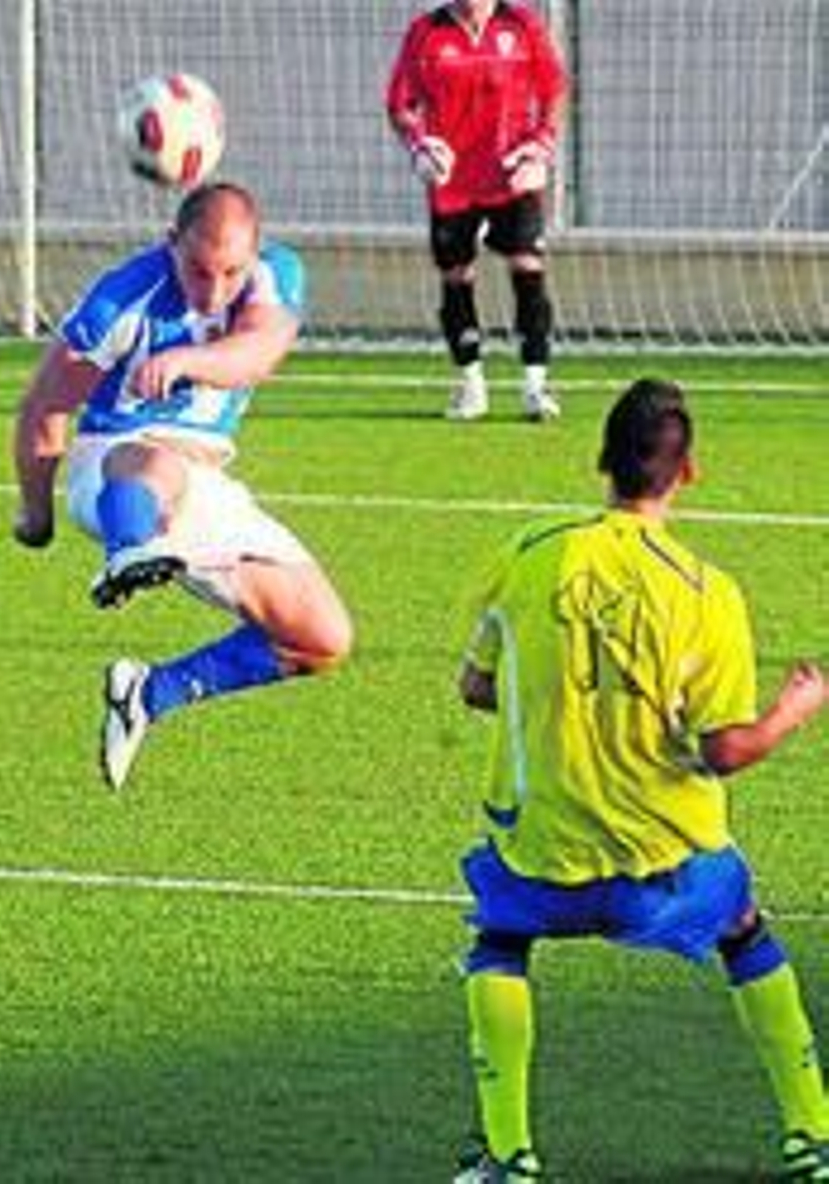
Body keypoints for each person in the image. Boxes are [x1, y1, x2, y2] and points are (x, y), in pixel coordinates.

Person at [451, 379, 829, 1182]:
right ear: (687, 471)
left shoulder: (530, 551)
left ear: (602, 462)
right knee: (746, 930)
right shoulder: (706, 592)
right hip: (667, 863)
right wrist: (797, 709)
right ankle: (812, 1135)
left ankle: (509, 1155)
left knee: (499, 943)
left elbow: (476, 688)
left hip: (543, 856)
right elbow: (725, 750)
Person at [12, 181, 352, 791]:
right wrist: (35, 515)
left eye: (231, 271)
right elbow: (44, 406)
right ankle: (128, 552)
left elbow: (259, 351)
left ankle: (148, 693)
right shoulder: (121, 301)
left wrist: (189, 362)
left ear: (255, 255)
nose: (215, 288)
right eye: (199, 270)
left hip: (203, 478)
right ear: (171, 243)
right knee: (155, 465)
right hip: (110, 466)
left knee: (321, 638)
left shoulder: (276, 275)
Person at [385, 0, 569, 422]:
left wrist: (542, 143)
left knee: (528, 266)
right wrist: (419, 144)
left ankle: (536, 388)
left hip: (511, 175)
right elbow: (400, 104)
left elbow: (555, 89)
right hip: (453, 184)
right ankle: (472, 387)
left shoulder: (521, 24)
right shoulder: (426, 32)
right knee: (456, 275)